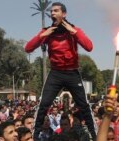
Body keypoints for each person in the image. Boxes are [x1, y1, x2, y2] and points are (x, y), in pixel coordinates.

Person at [24, 2, 96, 140]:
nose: (52, 13)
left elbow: (89, 47)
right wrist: (42, 35)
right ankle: (34, 136)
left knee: (84, 106)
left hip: (72, 73)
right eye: (51, 11)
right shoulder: (47, 32)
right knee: (43, 104)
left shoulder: (74, 30)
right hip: (55, 73)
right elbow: (27, 48)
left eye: (56, 11)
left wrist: (74, 32)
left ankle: (94, 135)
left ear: (64, 14)